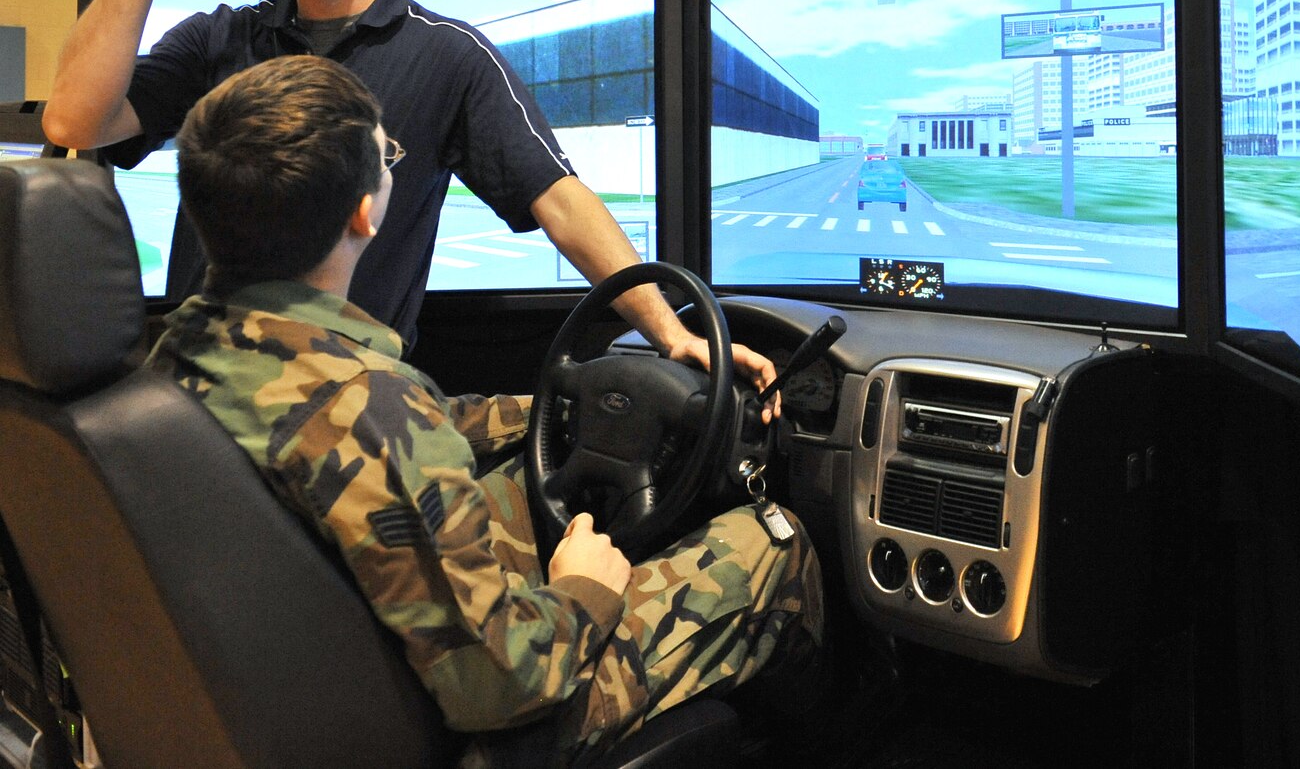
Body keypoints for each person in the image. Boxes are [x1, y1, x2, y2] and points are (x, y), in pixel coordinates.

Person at [146, 55, 822, 762]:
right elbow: (503, 682)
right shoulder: (375, 413)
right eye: (388, 157)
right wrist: (582, 589)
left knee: (515, 491)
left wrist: (584, 397)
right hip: (472, 726)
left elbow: (424, 420)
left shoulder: (185, 349)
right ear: (363, 211)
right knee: (769, 544)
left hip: (292, 692)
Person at [41, 0, 774, 397]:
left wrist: (666, 330)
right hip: (212, 384)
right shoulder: (218, 41)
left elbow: (559, 198)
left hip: (355, 397)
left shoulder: (447, 55)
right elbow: (73, 120)